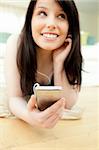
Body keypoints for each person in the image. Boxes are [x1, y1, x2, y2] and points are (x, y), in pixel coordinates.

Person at [6, 0, 83, 128]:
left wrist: (59, 64)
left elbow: (68, 105)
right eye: (42, 13)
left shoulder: (69, 51)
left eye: (61, 16)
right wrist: (31, 117)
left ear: (70, 25)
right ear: (30, 19)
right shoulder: (16, 43)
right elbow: (14, 98)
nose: (51, 24)